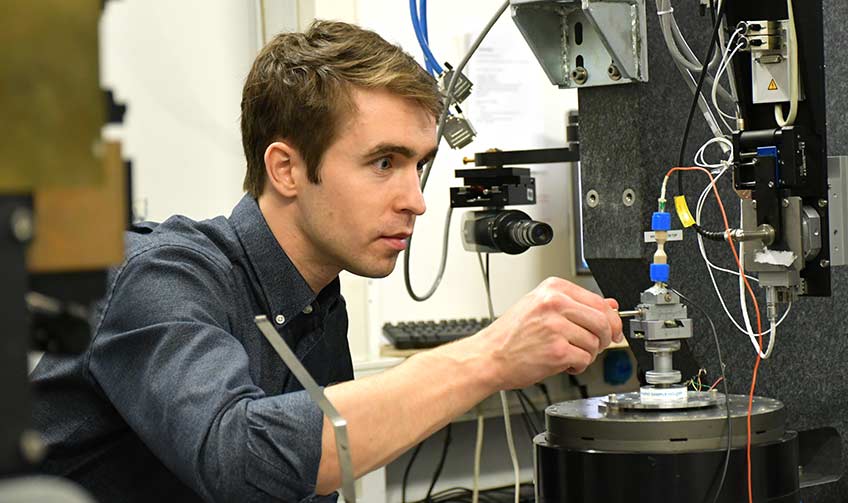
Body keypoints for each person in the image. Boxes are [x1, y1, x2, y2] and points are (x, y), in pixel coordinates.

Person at [31, 20, 623, 502]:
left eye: (418, 164)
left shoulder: (317, 303)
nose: (415, 200)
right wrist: (491, 355)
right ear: (285, 168)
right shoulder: (161, 277)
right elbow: (239, 460)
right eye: (383, 163)